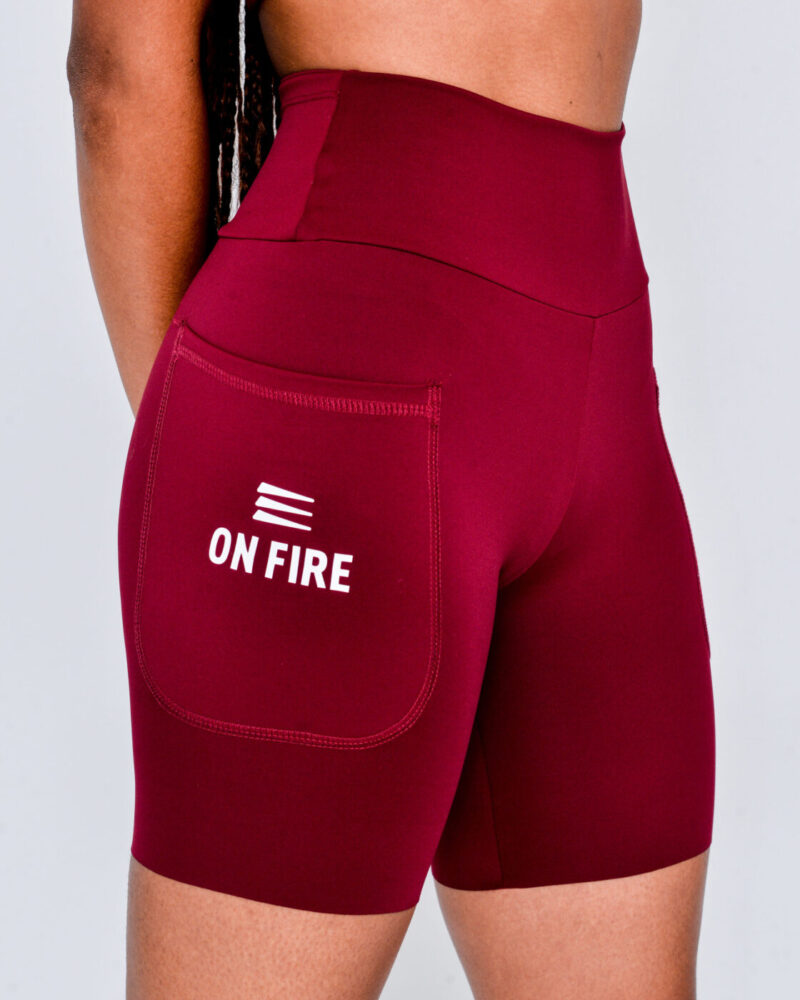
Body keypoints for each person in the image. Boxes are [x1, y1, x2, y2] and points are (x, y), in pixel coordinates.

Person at [67, 1, 715, 997]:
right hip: (375, 380)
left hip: (593, 394)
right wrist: (233, 436)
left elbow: (118, 69)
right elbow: (115, 75)